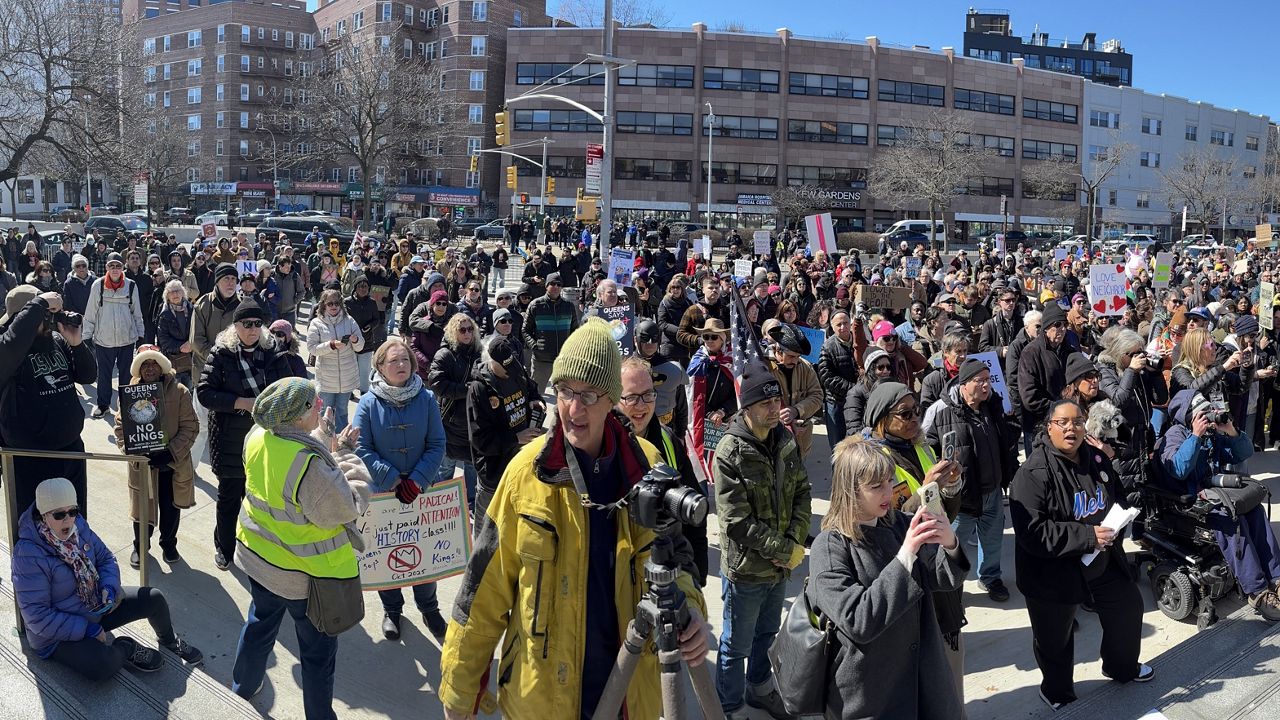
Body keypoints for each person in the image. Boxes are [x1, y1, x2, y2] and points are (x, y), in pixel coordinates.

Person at [438, 318, 710, 720]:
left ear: (613, 399)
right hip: (542, 700)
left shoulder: (647, 467)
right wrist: (459, 691)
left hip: (630, 696)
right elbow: (482, 591)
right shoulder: (524, 474)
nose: (573, 408)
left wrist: (692, 609)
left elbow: (676, 557)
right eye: (565, 391)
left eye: (588, 394)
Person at [230, 378, 372, 719]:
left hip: (262, 562)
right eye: (314, 404)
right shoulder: (309, 465)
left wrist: (323, 441)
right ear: (296, 417)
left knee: (259, 625)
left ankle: (242, 688)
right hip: (309, 580)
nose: (320, 406)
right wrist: (345, 454)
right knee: (317, 655)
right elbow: (347, 505)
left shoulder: (258, 436)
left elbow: (287, 470)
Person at [808, 438, 968, 719]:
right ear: (850, 491)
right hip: (872, 693)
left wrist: (950, 544)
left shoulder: (899, 523)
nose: (888, 492)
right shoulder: (830, 546)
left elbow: (943, 578)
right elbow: (858, 621)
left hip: (925, 679)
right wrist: (905, 556)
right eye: (876, 486)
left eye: (888, 481)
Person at [1009, 399, 1151, 710]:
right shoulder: (1032, 473)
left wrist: (1120, 519)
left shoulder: (1097, 459)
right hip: (1052, 572)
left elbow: (1117, 495)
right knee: (1055, 640)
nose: (1071, 428)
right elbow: (1032, 534)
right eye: (1062, 422)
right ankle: (1056, 692)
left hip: (1100, 560)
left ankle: (1120, 667)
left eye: (1077, 421)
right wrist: (1086, 536)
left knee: (1128, 606)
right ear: (1049, 427)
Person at [12, 477, 203, 681]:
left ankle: (169, 640)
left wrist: (109, 587)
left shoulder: (79, 527)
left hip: (95, 607)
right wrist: (86, 629)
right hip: (56, 636)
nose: (68, 520)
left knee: (153, 597)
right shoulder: (28, 555)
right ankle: (126, 647)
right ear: (43, 515)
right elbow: (37, 617)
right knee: (102, 665)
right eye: (59, 514)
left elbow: (105, 558)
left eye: (73, 511)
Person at [712, 359, 811, 717]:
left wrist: (795, 541)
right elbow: (736, 521)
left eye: (776, 401)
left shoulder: (784, 440)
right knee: (735, 645)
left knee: (767, 636)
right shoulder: (730, 452)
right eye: (766, 404)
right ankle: (731, 705)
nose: (775, 409)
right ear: (747, 408)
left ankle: (759, 687)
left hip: (780, 568)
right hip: (747, 570)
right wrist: (783, 549)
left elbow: (802, 490)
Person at [860, 381, 966, 701]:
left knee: (949, 669)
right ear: (882, 419)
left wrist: (950, 486)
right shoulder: (872, 462)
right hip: (904, 568)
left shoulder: (921, 447)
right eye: (905, 414)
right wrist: (926, 489)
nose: (914, 419)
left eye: (916, 411)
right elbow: (887, 520)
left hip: (935, 558)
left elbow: (945, 511)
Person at [351, 339, 450, 641]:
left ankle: (429, 608)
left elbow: (437, 444)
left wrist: (417, 479)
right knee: (387, 554)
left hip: (421, 490)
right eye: (394, 361)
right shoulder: (368, 402)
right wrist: (393, 479)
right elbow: (361, 446)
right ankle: (392, 609)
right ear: (380, 366)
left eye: (405, 359)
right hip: (384, 492)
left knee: (424, 552)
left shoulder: (427, 398)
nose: (402, 365)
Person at [1156, 389, 1280, 620]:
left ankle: (1276, 576)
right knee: (1231, 520)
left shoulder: (1213, 434)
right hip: (1190, 501)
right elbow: (1179, 470)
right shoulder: (1175, 434)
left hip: (1216, 492)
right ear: (1189, 416)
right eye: (1203, 413)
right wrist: (1195, 436)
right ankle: (1257, 591)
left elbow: (1244, 452)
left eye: (1209, 412)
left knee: (1254, 509)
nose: (1208, 417)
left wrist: (1231, 432)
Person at [197, 303, 290, 571]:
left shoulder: (273, 352)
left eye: (256, 324)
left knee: (262, 499)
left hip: (267, 437)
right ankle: (224, 549)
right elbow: (204, 392)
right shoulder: (221, 353)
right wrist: (241, 402)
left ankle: (257, 548)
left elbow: (289, 385)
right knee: (229, 498)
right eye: (246, 324)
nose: (252, 329)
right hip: (230, 437)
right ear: (235, 327)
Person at [926, 358, 1018, 602]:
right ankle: (948, 586)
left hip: (993, 493)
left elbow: (1006, 441)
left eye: (989, 380)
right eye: (981, 381)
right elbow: (926, 447)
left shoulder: (993, 406)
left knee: (992, 540)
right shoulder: (941, 411)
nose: (987, 385)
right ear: (965, 384)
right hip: (962, 498)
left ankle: (990, 578)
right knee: (953, 545)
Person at [0, 287, 97, 515]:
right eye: (44, 314)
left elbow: (88, 376)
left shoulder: (55, 340)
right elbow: (10, 346)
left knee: (75, 522)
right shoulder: (9, 351)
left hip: (70, 451)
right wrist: (39, 303)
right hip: (30, 458)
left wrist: (76, 344)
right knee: (35, 526)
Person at [617, 356, 709, 585]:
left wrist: (697, 575)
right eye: (631, 397)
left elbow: (694, 515)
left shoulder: (669, 440)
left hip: (667, 569)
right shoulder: (601, 448)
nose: (641, 406)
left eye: (648, 395)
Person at [110, 344, 197, 567]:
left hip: (171, 464)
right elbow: (120, 427)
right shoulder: (128, 393)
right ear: (138, 368)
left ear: (162, 367)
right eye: (144, 364)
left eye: (154, 363)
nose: (150, 368)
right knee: (142, 509)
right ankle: (140, 546)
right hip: (143, 465)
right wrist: (133, 451)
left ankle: (169, 544)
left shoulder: (180, 392)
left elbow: (190, 427)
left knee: (171, 508)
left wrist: (170, 452)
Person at [466, 337, 545, 524]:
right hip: (494, 473)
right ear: (491, 362)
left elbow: (531, 388)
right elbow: (480, 440)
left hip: (521, 465)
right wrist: (515, 438)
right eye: (504, 368)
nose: (510, 372)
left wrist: (536, 399)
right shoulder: (479, 389)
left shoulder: (515, 368)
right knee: (487, 527)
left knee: (515, 524)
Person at [429, 313, 482, 515]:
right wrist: (466, 390)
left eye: (470, 329)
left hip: (474, 421)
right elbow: (437, 384)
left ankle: (470, 503)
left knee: (471, 466)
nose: (467, 333)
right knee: (445, 467)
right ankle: (441, 505)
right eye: (462, 330)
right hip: (450, 422)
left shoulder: (479, 353)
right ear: (454, 331)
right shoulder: (445, 354)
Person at [83, 252, 144, 418]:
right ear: (107, 267)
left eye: (118, 266)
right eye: (112, 266)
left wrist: (141, 335)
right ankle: (103, 405)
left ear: (122, 267)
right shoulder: (98, 285)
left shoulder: (131, 286)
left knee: (126, 375)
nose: (115, 269)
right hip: (104, 339)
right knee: (104, 374)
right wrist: (86, 337)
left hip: (126, 339)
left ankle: (126, 406)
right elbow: (90, 312)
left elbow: (137, 313)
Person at [306, 288, 366, 432]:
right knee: (324, 413)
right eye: (330, 303)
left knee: (342, 412)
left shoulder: (349, 320)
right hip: (326, 378)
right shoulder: (316, 323)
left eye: (336, 303)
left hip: (346, 377)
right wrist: (331, 345)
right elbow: (312, 348)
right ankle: (323, 443)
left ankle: (340, 444)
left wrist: (356, 339)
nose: (333, 306)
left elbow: (360, 346)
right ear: (323, 305)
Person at [765, 323, 824, 457]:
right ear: (778, 350)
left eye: (798, 356)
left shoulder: (805, 367)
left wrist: (797, 410)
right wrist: (784, 420)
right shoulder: (764, 368)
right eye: (791, 356)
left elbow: (817, 396)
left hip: (801, 439)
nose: (796, 361)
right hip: (773, 437)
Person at [1017, 303, 1075, 442]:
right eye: (1057, 324)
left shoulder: (1070, 350)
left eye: (1064, 325)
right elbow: (1029, 397)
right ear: (1046, 328)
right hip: (1039, 425)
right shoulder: (1030, 353)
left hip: (1068, 422)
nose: (1062, 329)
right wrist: (1058, 410)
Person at [688, 318, 737, 462]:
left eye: (714, 336)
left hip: (728, 420)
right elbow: (691, 397)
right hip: (702, 421)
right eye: (706, 336)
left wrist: (722, 411)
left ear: (722, 339)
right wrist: (710, 414)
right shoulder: (698, 361)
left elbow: (739, 394)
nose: (709, 340)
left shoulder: (731, 361)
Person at [521, 271, 579, 395]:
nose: (556, 287)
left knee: (565, 396)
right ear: (546, 286)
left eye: (559, 284)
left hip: (563, 360)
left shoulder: (568, 306)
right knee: (536, 395)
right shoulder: (536, 305)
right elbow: (525, 330)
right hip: (542, 359)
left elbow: (575, 330)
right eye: (552, 283)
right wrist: (535, 346)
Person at [818, 310, 859, 441]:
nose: (843, 327)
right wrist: (852, 389)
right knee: (838, 445)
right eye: (839, 324)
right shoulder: (827, 347)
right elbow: (826, 376)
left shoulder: (860, 341)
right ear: (832, 326)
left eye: (846, 323)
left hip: (858, 402)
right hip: (836, 402)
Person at [344, 274, 385, 396]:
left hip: (367, 340)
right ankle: (349, 390)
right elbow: (344, 319)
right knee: (350, 367)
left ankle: (364, 391)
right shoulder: (347, 302)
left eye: (366, 287)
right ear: (355, 287)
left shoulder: (372, 302)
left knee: (364, 368)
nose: (363, 289)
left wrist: (370, 326)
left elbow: (377, 319)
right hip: (351, 340)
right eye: (360, 286)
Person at [843, 348, 895, 437]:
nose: (886, 371)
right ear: (871, 369)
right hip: (867, 445)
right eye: (881, 367)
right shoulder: (855, 393)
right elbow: (854, 429)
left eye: (888, 367)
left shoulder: (893, 388)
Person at [155, 279, 195, 388]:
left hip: (192, 360)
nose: (175, 294)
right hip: (174, 361)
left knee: (191, 394)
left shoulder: (193, 310)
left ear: (183, 292)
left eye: (177, 290)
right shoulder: (164, 314)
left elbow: (200, 331)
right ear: (167, 296)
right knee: (176, 393)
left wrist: (192, 343)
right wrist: (180, 347)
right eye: (171, 292)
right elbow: (163, 339)